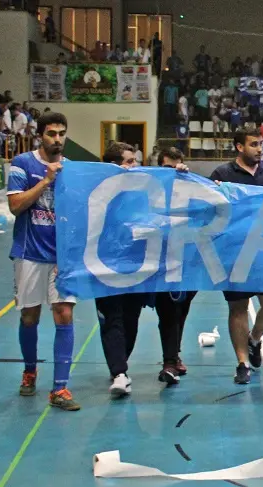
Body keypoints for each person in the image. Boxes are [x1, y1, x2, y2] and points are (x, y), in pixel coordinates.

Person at [7, 112, 78, 411]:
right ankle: (30, 371)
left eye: (62, 133)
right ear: (40, 135)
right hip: (29, 254)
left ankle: (60, 388)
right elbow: (15, 206)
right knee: (30, 317)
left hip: (61, 257)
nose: (58, 139)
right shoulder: (22, 164)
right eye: (52, 133)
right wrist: (46, 181)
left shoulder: (72, 170)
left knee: (63, 314)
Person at [210, 130, 263, 384]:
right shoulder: (223, 175)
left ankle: (254, 339)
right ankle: (242, 362)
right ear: (239, 146)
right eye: (254, 144)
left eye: (261, 144)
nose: (259, 149)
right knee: (238, 306)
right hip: (236, 251)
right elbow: (211, 210)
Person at [95, 142, 145, 397]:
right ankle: (119, 372)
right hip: (103, 265)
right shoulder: (94, 191)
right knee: (111, 318)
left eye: (135, 161)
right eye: (129, 162)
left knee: (131, 318)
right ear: (114, 165)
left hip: (135, 265)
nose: (134, 166)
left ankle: (119, 364)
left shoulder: (143, 190)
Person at [153, 147, 196, 385]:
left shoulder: (190, 187)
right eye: (166, 168)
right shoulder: (149, 187)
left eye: (176, 167)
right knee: (168, 312)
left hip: (186, 260)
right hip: (158, 262)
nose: (172, 172)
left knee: (181, 311)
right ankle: (168, 362)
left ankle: (174, 356)